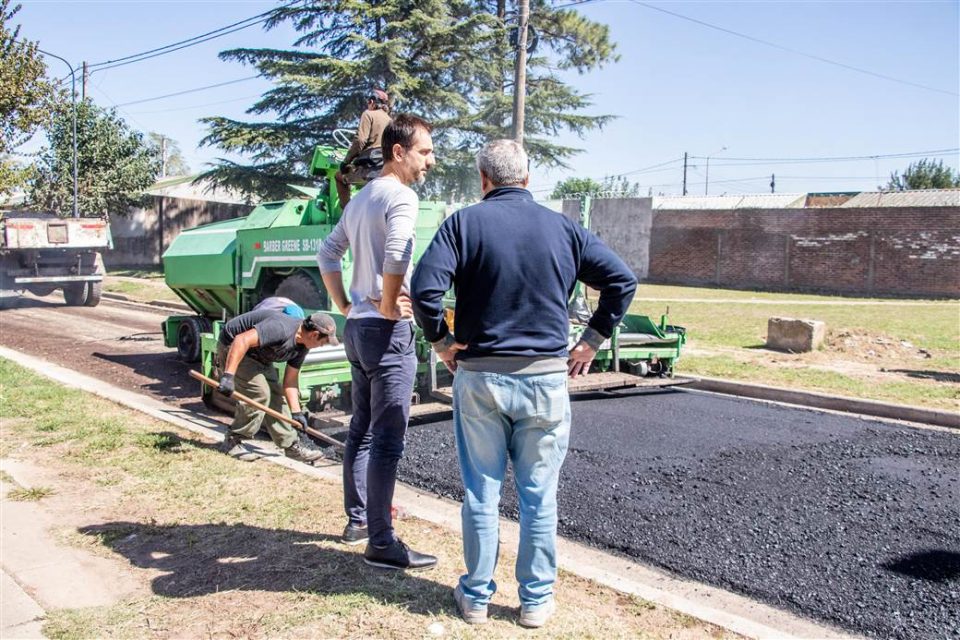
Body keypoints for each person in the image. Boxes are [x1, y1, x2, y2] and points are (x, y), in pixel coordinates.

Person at [410, 139, 637, 627]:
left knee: (481, 492)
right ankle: (534, 601)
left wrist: (443, 343)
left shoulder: (463, 224)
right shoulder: (564, 229)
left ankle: (475, 598)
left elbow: (424, 288)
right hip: (546, 381)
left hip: (481, 379)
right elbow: (622, 280)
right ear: (528, 179)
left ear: (483, 180)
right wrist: (593, 340)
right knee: (538, 496)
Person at [317, 113, 438, 571]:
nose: (431, 160)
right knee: (388, 439)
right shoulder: (401, 196)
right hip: (386, 331)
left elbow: (327, 252)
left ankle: (359, 521)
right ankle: (382, 542)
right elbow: (397, 251)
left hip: (358, 330)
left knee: (361, 431)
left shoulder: (361, 198)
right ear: (398, 152)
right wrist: (389, 304)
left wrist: (347, 306)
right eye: (424, 152)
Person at [216, 308, 339, 464]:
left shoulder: (302, 347)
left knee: (276, 395)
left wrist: (296, 412)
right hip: (234, 347)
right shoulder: (281, 328)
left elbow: (290, 381)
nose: (321, 346)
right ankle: (232, 442)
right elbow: (242, 340)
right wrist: (228, 376)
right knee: (259, 393)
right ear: (314, 335)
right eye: (322, 343)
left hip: (260, 355)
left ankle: (291, 446)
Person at [336, 89, 392, 208]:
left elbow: (360, 141)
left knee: (339, 176)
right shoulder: (390, 121)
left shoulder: (368, 114)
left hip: (370, 167)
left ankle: (347, 213)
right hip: (386, 166)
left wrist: (346, 161)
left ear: (372, 101)